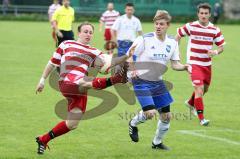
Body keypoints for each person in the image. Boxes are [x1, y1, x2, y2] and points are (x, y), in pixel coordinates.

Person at [35, 22, 134, 155]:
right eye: (85, 31)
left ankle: (43, 139)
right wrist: (42, 80)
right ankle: (116, 80)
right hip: (67, 82)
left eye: (90, 32)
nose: (88, 34)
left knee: (72, 124)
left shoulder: (94, 52)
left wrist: (126, 57)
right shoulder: (66, 44)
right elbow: (52, 63)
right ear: (79, 33)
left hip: (81, 88)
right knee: (84, 81)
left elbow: (109, 61)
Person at [128, 10, 188, 150]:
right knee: (150, 113)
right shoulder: (144, 39)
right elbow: (129, 55)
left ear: (168, 25)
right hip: (141, 80)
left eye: (161, 24)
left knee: (166, 116)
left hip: (158, 82)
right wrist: (132, 70)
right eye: (156, 24)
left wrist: (185, 67)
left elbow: (174, 64)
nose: (158, 26)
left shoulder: (173, 42)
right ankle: (133, 123)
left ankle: (156, 143)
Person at [176, 3, 225, 126]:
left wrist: (214, 52)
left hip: (207, 65)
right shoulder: (191, 26)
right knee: (199, 89)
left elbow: (221, 46)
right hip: (193, 63)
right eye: (201, 13)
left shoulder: (214, 29)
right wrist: (175, 52)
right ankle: (202, 118)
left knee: (205, 90)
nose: (203, 15)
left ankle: (190, 102)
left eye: (206, 13)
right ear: (198, 14)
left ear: (209, 14)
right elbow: (178, 35)